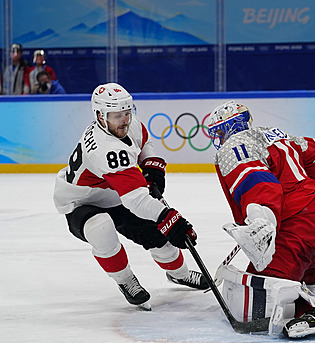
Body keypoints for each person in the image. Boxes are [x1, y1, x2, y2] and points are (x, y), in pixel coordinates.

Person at [207, 100, 315, 338]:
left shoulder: (235, 144)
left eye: (220, 131)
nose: (218, 138)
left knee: (262, 285)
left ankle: (303, 312)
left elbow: (258, 181)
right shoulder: (276, 134)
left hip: (297, 223)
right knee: (307, 263)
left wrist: (262, 221)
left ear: (232, 126)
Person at [53, 83, 209, 310]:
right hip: (80, 201)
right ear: (100, 116)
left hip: (114, 195)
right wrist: (168, 217)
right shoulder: (105, 148)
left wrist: (150, 163)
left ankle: (180, 274)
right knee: (101, 227)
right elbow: (135, 199)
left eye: (127, 113)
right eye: (117, 116)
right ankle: (125, 281)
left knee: (158, 238)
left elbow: (144, 141)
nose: (125, 120)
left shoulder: (125, 123)